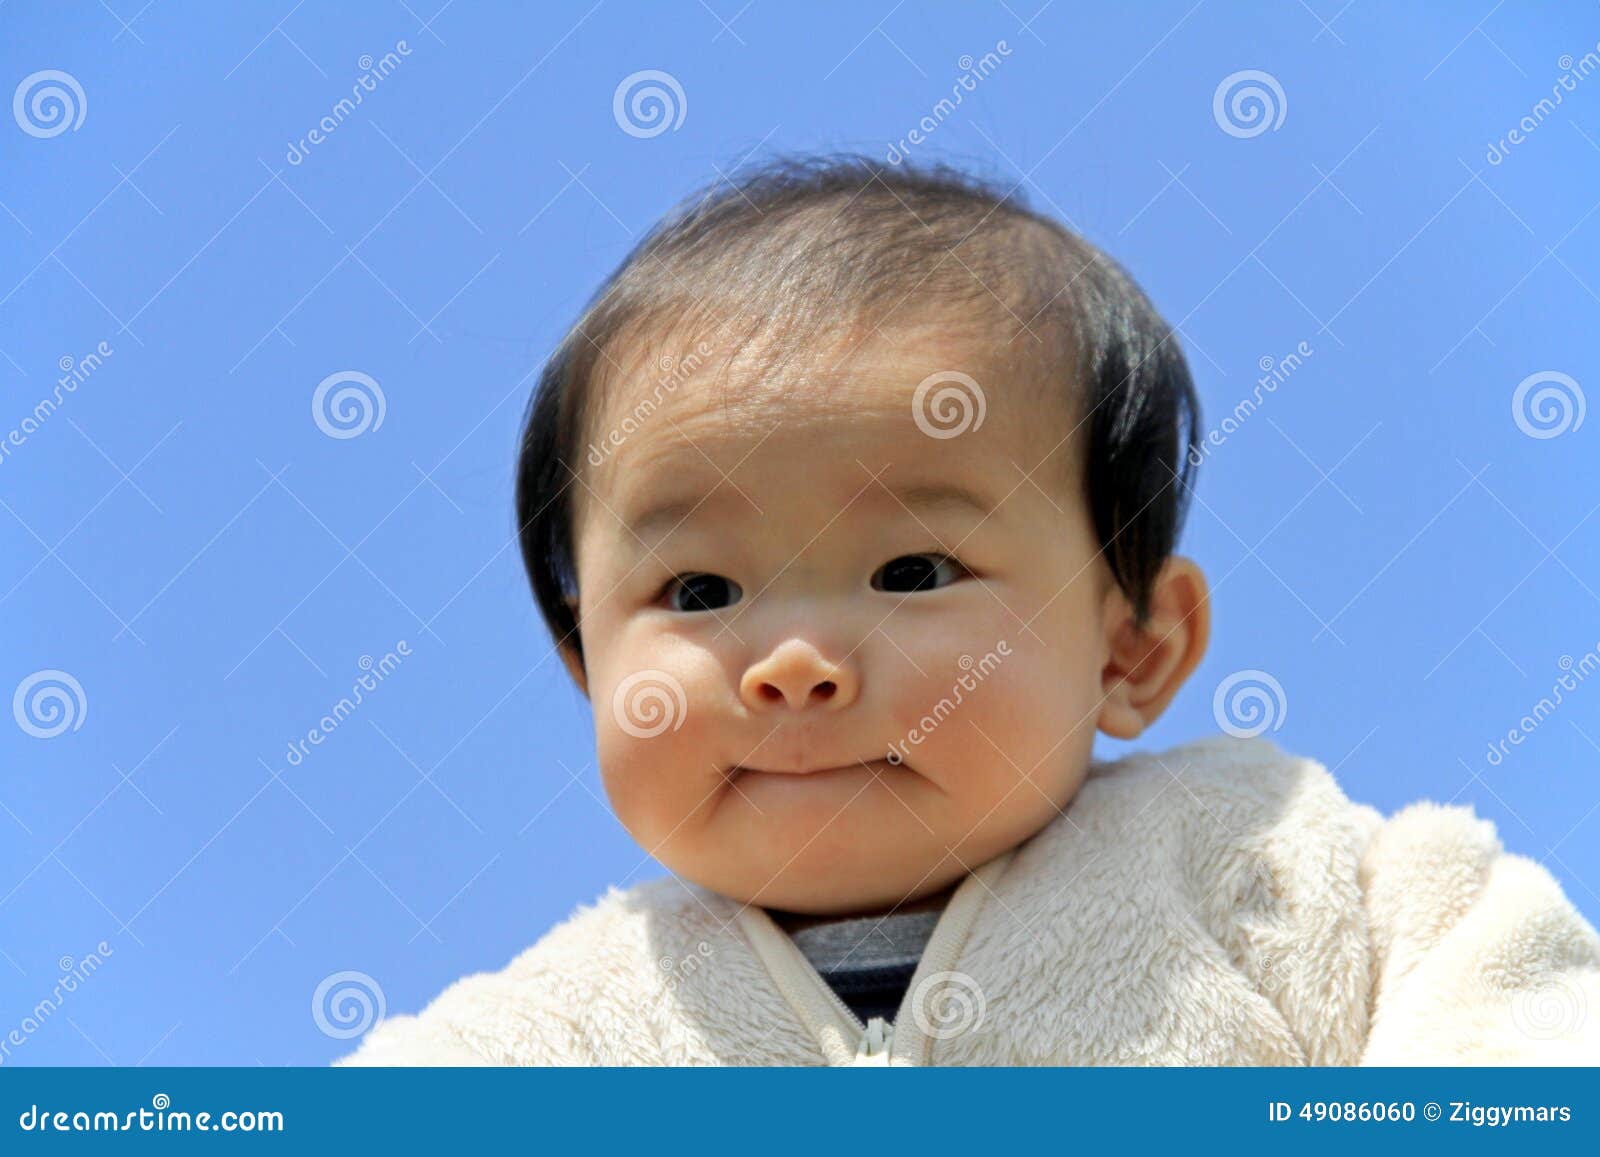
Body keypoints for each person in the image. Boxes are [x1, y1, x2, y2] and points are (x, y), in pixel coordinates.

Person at [337, 156, 1599, 1065]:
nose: (793, 663)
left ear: (1133, 645)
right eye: (700, 590)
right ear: (587, 667)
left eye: (912, 572)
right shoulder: (519, 1041)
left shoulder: (1304, 879)